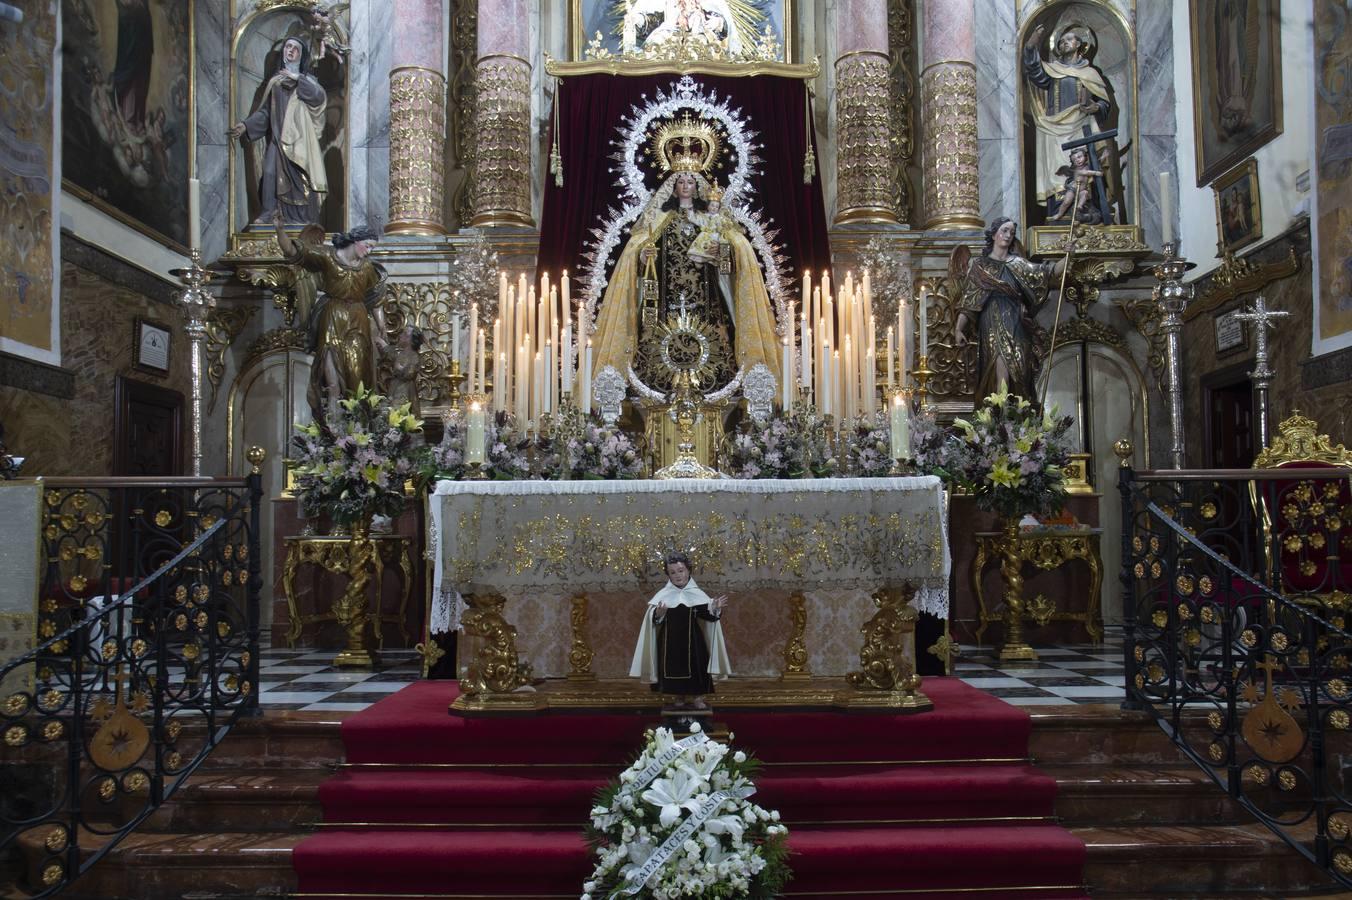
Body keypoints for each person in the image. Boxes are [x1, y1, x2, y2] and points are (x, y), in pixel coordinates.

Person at [589, 138, 781, 391]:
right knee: (660, 353)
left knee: (713, 348)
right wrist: (643, 257)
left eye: (691, 182)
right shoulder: (659, 219)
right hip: (666, 300)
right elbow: (636, 253)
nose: (686, 186)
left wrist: (721, 251)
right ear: (673, 186)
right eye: (681, 182)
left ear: (697, 185)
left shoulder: (710, 219)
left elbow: (730, 262)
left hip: (707, 301)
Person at [273, 210, 388, 424]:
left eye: (372, 247)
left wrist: (381, 326)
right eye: (368, 245)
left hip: (358, 319)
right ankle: (334, 433)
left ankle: (358, 430)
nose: (369, 251)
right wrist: (280, 230)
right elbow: (293, 252)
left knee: (357, 376)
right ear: (355, 240)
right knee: (332, 380)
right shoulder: (327, 256)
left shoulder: (368, 267)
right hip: (333, 316)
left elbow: (376, 297)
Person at [953, 218, 1065, 404]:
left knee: (1020, 369)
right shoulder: (980, 266)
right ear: (994, 233)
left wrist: (1067, 256)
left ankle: (1018, 419)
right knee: (999, 367)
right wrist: (958, 329)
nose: (1007, 235)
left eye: (1011, 233)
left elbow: (1048, 273)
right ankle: (999, 418)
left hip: (1017, 322)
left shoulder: (1019, 264)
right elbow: (969, 301)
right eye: (1004, 230)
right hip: (992, 321)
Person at [1022, 22, 1120, 224]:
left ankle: (1085, 209)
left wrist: (1096, 107)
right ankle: (1059, 213)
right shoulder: (1052, 70)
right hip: (1054, 129)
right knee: (1058, 171)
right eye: (1062, 41)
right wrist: (1032, 43)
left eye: (1069, 39)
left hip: (1081, 126)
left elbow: (1103, 103)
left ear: (1080, 44)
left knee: (1083, 167)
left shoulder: (1090, 73)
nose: (1065, 43)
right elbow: (1034, 71)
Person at [229, 36, 328, 224]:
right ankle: (270, 213)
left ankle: (304, 218)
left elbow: (319, 98)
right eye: (287, 47)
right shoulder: (275, 82)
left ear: (301, 55)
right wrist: (246, 125)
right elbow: (266, 112)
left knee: (301, 178)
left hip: (299, 142)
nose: (290, 51)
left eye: (295, 48)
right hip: (276, 139)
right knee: (270, 173)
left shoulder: (307, 81)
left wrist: (297, 79)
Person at [630, 553, 731, 711]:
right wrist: (658, 614)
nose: (677, 575)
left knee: (697, 667)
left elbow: (708, 616)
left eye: (681, 570)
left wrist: (714, 608)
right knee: (671, 667)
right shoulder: (663, 596)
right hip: (670, 641)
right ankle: (678, 696)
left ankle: (698, 697)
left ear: (688, 571)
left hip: (693, 640)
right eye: (673, 572)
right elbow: (654, 621)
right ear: (668, 575)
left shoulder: (697, 594)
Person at [1050, 147, 1104, 224]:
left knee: (1084, 194)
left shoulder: (1087, 166)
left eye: (1079, 157)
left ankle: (1078, 209)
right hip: (1073, 189)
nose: (1077, 160)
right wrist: (1095, 173)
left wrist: (1103, 157)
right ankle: (1059, 214)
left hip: (1081, 190)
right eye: (1075, 160)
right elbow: (1086, 172)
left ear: (1085, 157)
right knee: (1066, 202)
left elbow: (1096, 162)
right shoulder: (1078, 170)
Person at [686, 185, 731, 270]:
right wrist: (689, 209)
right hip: (705, 235)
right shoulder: (703, 216)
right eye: (712, 205)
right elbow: (694, 219)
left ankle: (712, 259)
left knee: (713, 249)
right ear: (708, 206)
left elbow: (723, 228)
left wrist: (723, 228)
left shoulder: (720, 218)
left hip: (715, 236)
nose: (714, 208)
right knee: (701, 247)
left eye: (716, 207)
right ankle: (700, 260)